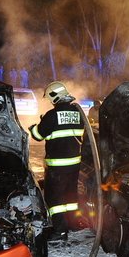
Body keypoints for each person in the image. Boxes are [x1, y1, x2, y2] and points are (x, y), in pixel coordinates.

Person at [28, 81, 85, 240]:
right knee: (70, 196)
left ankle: (60, 230)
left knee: (55, 199)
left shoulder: (52, 115)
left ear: (54, 97)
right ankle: (73, 224)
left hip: (58, 165)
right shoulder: (78, 112)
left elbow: (38, 135)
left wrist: (34, 126)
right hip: (74, 163)